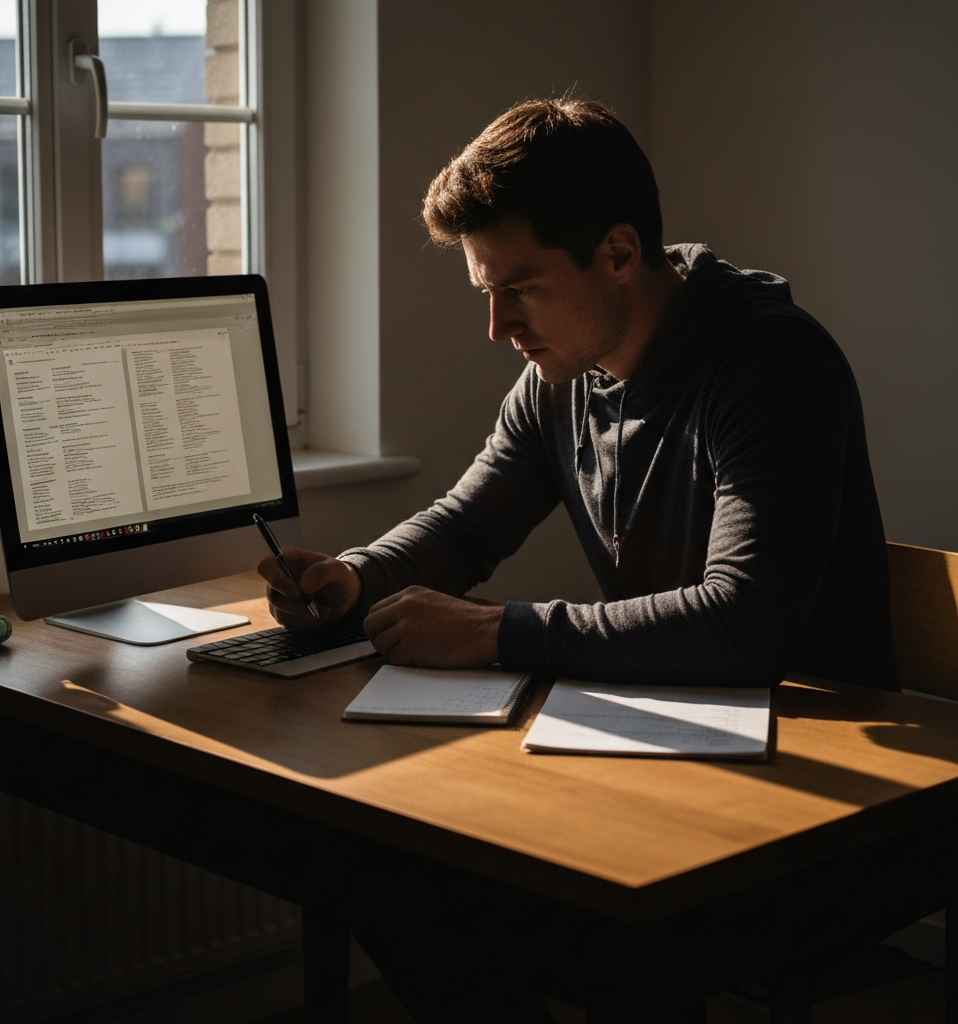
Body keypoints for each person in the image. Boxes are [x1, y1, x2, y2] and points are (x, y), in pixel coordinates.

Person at [260, 97, 898, 694]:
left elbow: (743, 624)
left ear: (618, 253)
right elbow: (465, 529)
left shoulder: (773, 363)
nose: (497, 327)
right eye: (486, 291)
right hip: (667, 714)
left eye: (523, 290)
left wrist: (495, 631)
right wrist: (357, 577)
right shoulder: (561, 379)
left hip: (829, 742)